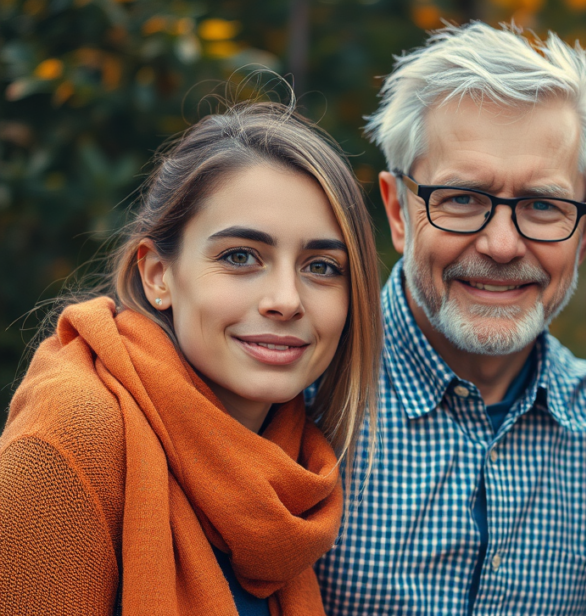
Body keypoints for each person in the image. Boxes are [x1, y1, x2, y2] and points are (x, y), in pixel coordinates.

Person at [314, 22, 586, 615]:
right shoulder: (299, 395)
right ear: (398, 210)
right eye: (463, 198)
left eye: (543, 205)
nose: (500, 245)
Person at [0, 100, 382, 616]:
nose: (287, 300)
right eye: (240, 257)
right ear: (158, 275)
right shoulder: (71, 437)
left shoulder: (292, 458)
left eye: (321, 266)